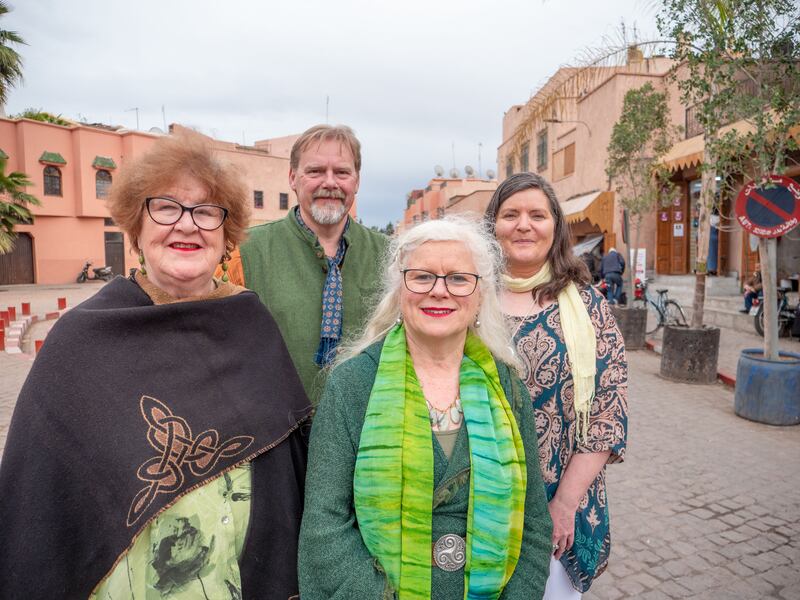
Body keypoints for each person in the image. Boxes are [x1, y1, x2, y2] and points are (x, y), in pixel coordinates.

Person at [0, 131, 311, 599]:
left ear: (227, 236)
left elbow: (288, 472)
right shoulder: (81, 339)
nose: (187, 225)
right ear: (135, 229)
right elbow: (41, 496)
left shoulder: (252, 325)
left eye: (206, 212)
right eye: (165, 207)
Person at [299, 217, 553, 599]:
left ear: (481, 294)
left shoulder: (507, 387)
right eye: (422, 277)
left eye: (458, 278)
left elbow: (532, 521)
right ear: (399, 290)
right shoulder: (352, 385)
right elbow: (325, 524)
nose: (439, 291)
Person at [485, 173, 628, 598]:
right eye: (510, 214)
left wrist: (563, 506)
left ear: (555, 227)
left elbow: (608, 412)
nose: (523, 225)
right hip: (473, 501)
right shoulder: (465, 296)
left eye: (537, 215)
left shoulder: (589, 306)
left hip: (559, 505)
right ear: (492, 226)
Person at [222, 124, 389, 404]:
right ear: (292, 177)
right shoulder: (245, 252)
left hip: (366, 431)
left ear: (357, 181)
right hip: (276, 430)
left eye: (342, 172)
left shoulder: (390, 256)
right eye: (315, 171)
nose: (330, 183)